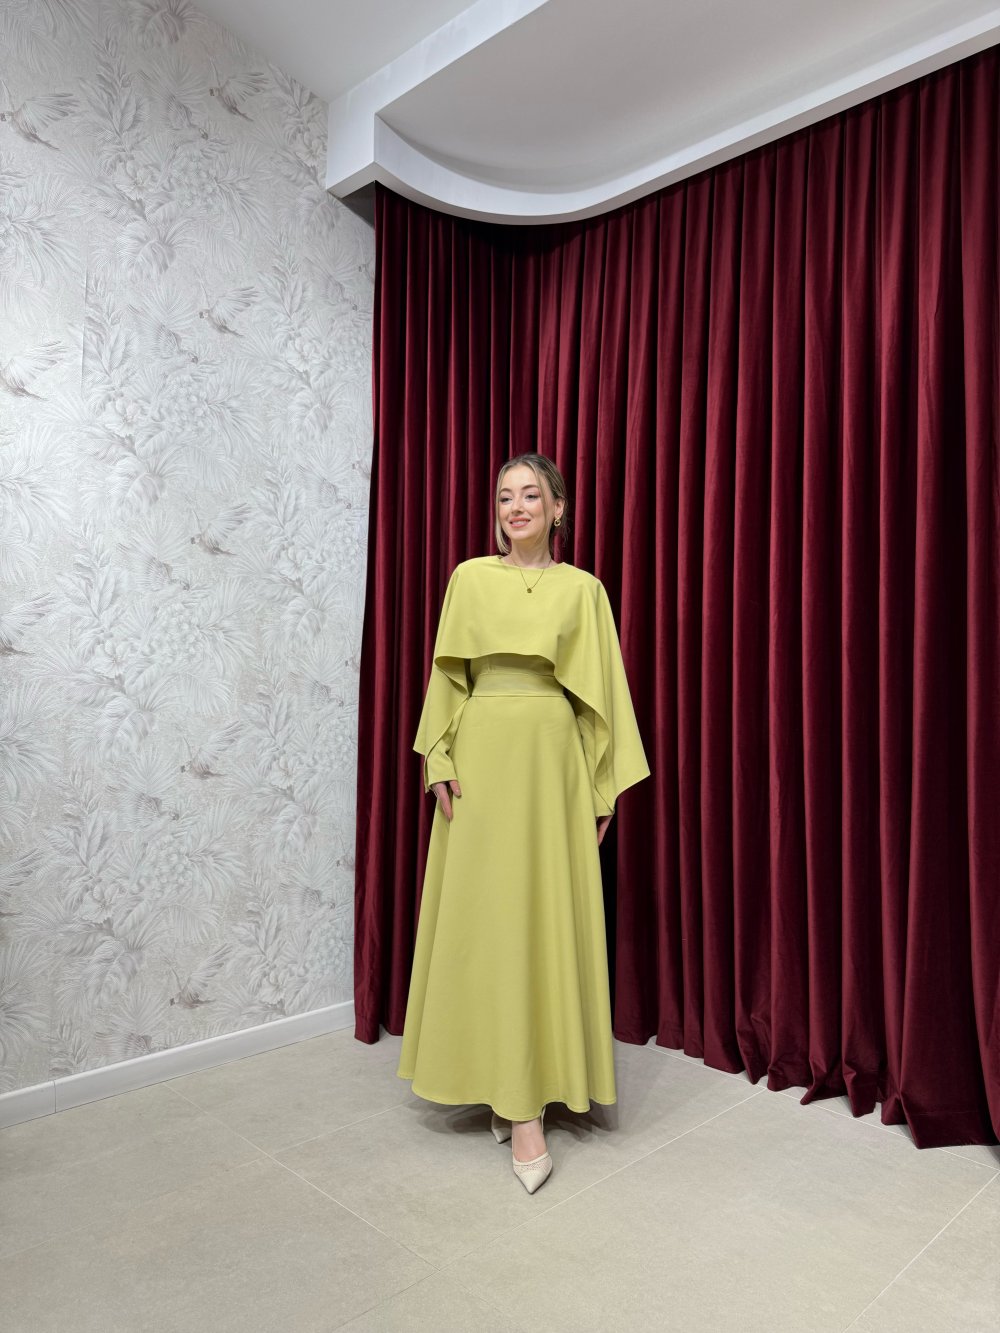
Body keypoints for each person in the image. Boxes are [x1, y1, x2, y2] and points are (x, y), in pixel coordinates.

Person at [397, 453, 649, 1193]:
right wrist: (437, 757)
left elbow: (602, 697)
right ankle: (515, 1100)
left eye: (530, 495)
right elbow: (448, 678)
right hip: (482, 760)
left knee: (542, 918)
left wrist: (601, 790)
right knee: (487, 920)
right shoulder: (469, 579)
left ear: (557, 507)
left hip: (552, 763)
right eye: (505, 496)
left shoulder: (585, 590)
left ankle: (529, 1088)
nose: (516, 507)